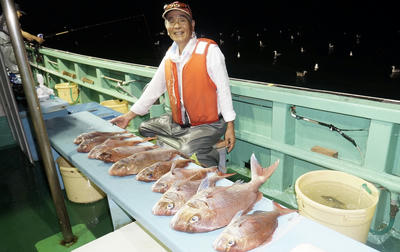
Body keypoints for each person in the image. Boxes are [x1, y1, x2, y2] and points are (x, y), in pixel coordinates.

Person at [111, 1, 236, 167]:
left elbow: (223, 89)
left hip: (209, 124)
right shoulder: (170, 54)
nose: (177, 25)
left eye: (182, 20)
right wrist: (128, 116)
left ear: (192, 24)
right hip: (180, 123)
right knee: (144, 128)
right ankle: (193, 140)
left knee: (187, 151)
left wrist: (230, 126)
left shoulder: (209, 50)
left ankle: (210, 158)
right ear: (166, 27)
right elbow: (155, 88)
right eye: (171, 21)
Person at [0, 3, 44, 74]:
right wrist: (37, 39)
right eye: (20, 13)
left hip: (3, 47)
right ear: (13, 11)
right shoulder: (10, 19)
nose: (21, 15)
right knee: (17, 69)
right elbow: (21, 32)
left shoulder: (3, 18)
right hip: (6, 47)